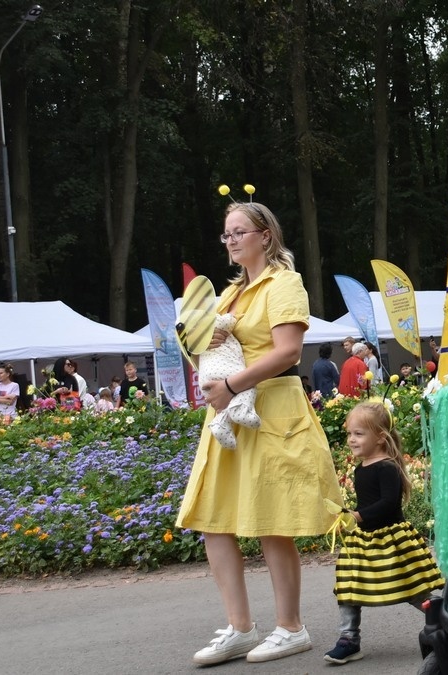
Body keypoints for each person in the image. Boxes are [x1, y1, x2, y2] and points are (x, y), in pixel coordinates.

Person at [176, 200, 343, 666]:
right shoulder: (228, 295)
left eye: (239, 232)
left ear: (265, 236)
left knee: (272, 523)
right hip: (228, 413)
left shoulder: (284, 283)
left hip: (268, 406)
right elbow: (210, 345)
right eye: (225, 234)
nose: (230, 241)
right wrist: (202, 343)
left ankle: (290, 627)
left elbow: (289, 352)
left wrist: (230, 384)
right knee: (212, 519)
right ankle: (240, 628)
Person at [324, 401, 444, 665]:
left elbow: (390, 503)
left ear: (380, 438)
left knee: (411, 587)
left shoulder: (387, 467)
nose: (351, 439)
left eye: (358, 434)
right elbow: (369, 502)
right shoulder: (361, 467)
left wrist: (359, 515)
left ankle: (444, 619)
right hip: (364, 539)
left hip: (390, 538)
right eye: (349, 434)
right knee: (348, 588)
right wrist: (350, 515)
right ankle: (348, 639)